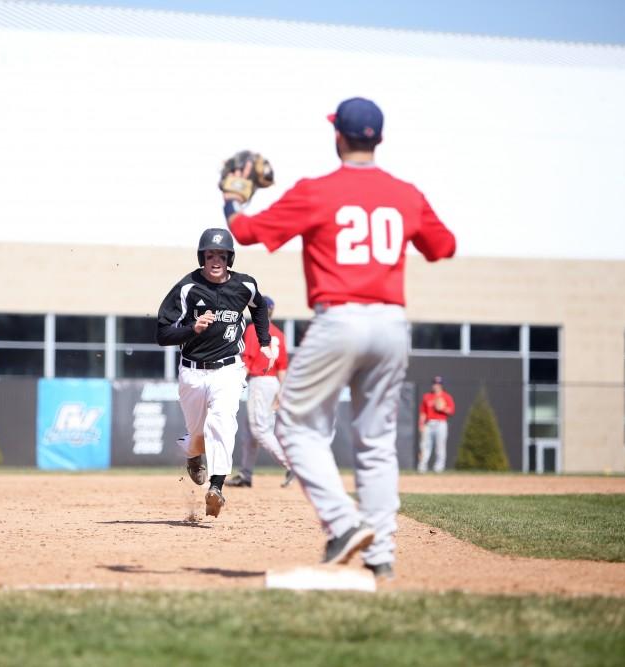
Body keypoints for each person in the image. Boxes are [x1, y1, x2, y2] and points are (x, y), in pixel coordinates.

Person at [219, 97, 456, 580]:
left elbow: (243, 233)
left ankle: (344, 523)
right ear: (379, 139)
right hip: (392, 324)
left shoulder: (318, 191)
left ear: (338, 137)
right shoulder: (405, 193)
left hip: (339, 318)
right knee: (377, 441)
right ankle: (381, 553)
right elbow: (443, 246)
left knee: (296, 428)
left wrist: (234, 200)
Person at [156, 228, 275, 518]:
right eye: (210, 254)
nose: (216, 260)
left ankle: (217, 487)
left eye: (221, 255)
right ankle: (193, 455)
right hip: (193, 372)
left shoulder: (244, 285)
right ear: (202, 257)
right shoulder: (187, 288)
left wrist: (265, 342)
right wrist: (191, 328)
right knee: (196, 435)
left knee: (222, 422)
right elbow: (162, 333)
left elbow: (259, 308)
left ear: (229, 258)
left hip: (229, 369)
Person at [226, 295, 294, 489]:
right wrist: (282, 391)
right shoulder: (279, 334)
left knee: (260, 429)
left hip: (260, 381)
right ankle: (245, 475)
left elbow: (248, 358)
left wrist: (236, 383)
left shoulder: (254, 329)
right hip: (272, 382)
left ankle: (291, 465)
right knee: (250, 432)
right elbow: (282, 367)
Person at [418, 375, 455, 473]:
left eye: (438, 384)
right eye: (435, 383)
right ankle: (422, 467)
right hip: (429, 423)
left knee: (440, 446)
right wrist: (421, 424)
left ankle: (439, 468)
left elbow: (451, 411)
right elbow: (423, 412)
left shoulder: (446, 396)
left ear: (441, 385)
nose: (436, 385)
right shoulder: (427, 396)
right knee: (425, 446)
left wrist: (442, 408)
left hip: (441, 423)